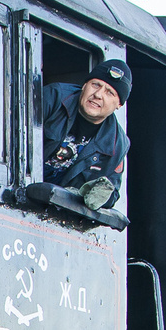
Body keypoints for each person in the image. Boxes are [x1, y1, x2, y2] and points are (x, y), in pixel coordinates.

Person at [41, 60, 130, 215]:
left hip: (56, 214)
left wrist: (102, 194)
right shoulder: (53, 97)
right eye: (95, 85)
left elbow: (112, 192)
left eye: (109, 92)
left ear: (119, 105)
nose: (98, 95)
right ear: (85, 85)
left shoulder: (118, 144)